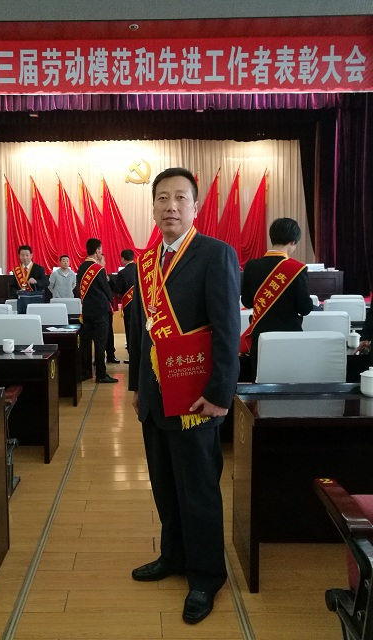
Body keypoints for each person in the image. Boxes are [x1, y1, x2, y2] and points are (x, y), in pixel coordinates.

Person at [128, 168, 240, 625]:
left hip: (197, 399)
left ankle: (206, 576)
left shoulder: (215, 254)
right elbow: (141, 332)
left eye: (180, 198)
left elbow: (228, 329)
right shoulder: (146, 263)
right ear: (153, 207)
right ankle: (173, 556)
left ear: (195, 207)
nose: (170, 206)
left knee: (198, 490)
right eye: (162, 198)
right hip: (156, 396)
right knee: (165, 485)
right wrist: (137, 387)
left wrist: (219, 394)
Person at [241, 217, 314, 379]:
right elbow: (305, 309)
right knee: (290, 378)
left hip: (261, 336)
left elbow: (247, 302)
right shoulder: (297, 269)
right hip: (290, 337)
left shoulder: (252, 266)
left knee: (260, 379)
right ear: (293, 242)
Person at [77, 238, 118, 384]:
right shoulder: (98, 269)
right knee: (100, 343)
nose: (101, 252)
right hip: (100, 311)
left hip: (87, 311)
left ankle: (85, 372)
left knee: (86, 343)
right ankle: (101, 374)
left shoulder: (81, 267)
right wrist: (112, 302)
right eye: (101, 250)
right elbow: (107, 290)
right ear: (97, 251)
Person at [115, 249, 136, 364]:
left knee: (129, 329)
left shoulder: (123, 273)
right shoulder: (140, 269)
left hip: (128, 306)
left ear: (123, 259)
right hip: (140, 305)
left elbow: (118, 291)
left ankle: (132, 355)